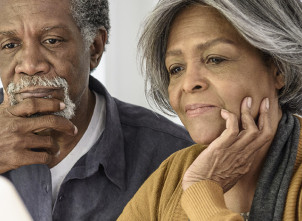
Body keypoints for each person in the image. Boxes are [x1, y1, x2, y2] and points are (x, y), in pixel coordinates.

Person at [0, 0, 194, 220]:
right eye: (10, 45)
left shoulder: (173, 157)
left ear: (95, 47)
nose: (29, 65)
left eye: (52, 40)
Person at [118, 0, 302, 220]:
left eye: (215, 59)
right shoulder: (170, 177)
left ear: (279, 68)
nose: (189, 83)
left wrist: (201, 189)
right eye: (177, 68)